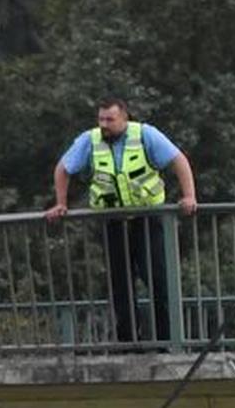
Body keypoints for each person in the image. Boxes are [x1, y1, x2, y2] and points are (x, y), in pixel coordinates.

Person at [44, 101, 196, 346]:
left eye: (110, 120)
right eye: (101, 119)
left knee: (157, 279)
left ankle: (166, 341)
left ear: (124, 118)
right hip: (111, 220)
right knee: (119, 284)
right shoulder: (90, 140)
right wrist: (61, 203)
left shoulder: (145, 135)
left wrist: (189, 197)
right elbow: (63, 168)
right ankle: (128, 343)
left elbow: (179, 160)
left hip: (148, 218)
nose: (104, 125)